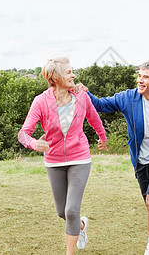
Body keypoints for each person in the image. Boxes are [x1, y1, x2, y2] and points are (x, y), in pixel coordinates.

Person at [76, 60, 149, 255]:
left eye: (145, 77)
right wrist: (85, 93)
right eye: (139, 76)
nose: (139, 80)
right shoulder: (128, 98)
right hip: (140, 161)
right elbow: (100, 105)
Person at [18, 57, 108, 255]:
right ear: (55, 77)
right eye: (68, 72)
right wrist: (34, 143)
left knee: (71, 210)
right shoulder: (41, 102)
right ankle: (81, 227)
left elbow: (94, 118)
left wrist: (102, 137)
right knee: (62, 212)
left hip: (80, 157)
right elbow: (23, 133)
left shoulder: (81, 96)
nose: (73, 75)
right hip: (54, 160)